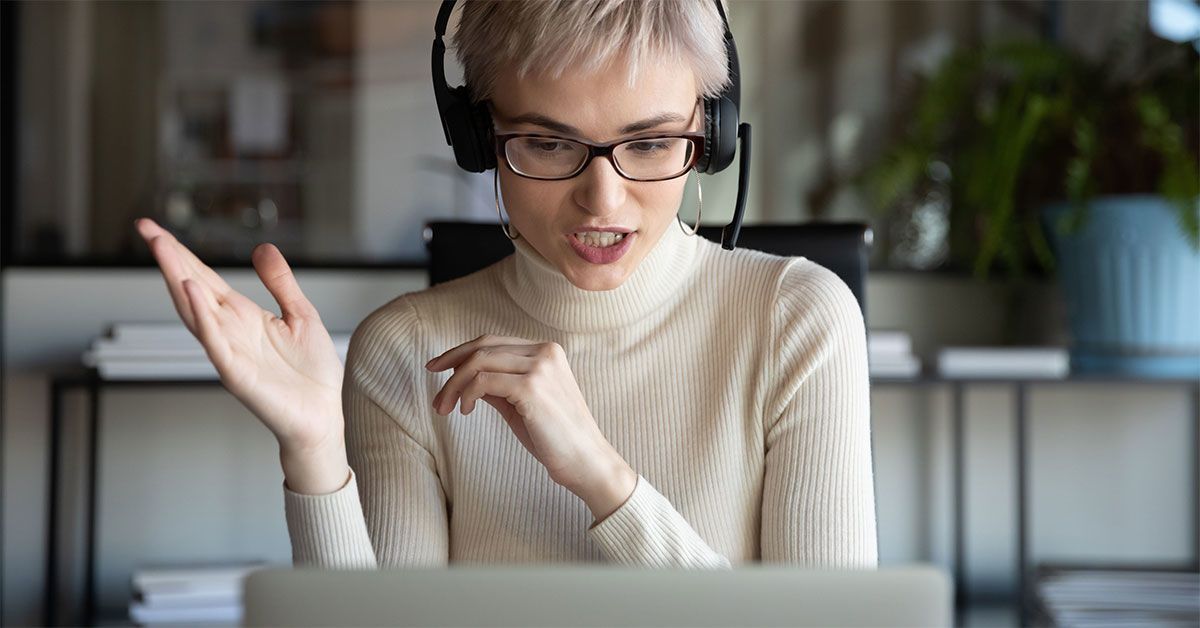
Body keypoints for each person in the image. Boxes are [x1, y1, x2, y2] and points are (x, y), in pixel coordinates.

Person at [134, 0, 877, 570]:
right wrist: (316, 451)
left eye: (650, 143)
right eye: (549, 144)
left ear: (710, 136)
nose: (603, 200)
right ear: (480, 140)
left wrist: (604, 480)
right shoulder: (405, 351)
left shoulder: (799, 322)